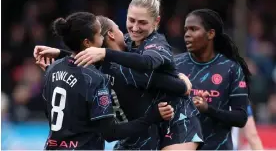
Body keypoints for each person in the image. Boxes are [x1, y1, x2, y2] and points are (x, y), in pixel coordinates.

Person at [71, 0, 203, 150]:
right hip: (146, 128)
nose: (134, 27)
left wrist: (181, 82)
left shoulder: (156, 43)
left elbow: (146, 63)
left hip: (178, 121)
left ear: (156, 22)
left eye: (142, 22)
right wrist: (60, 55)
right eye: (131, 20)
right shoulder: (123, 45)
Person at [34, 15, 193, 150]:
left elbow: (79, 63)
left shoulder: (53, 69)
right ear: (110, 34)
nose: (124, 32)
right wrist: (181, 85)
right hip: (135, 141)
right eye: (118, 28)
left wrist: (62, 54)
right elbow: (110, 133)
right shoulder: (104, 75)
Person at [174, 8, 250, 150]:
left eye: (193, 29)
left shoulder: (231, 69)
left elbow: (241, 118)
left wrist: (208, 109)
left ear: (210, 34)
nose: (187, 35)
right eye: (186, 30)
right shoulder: (175, 65)